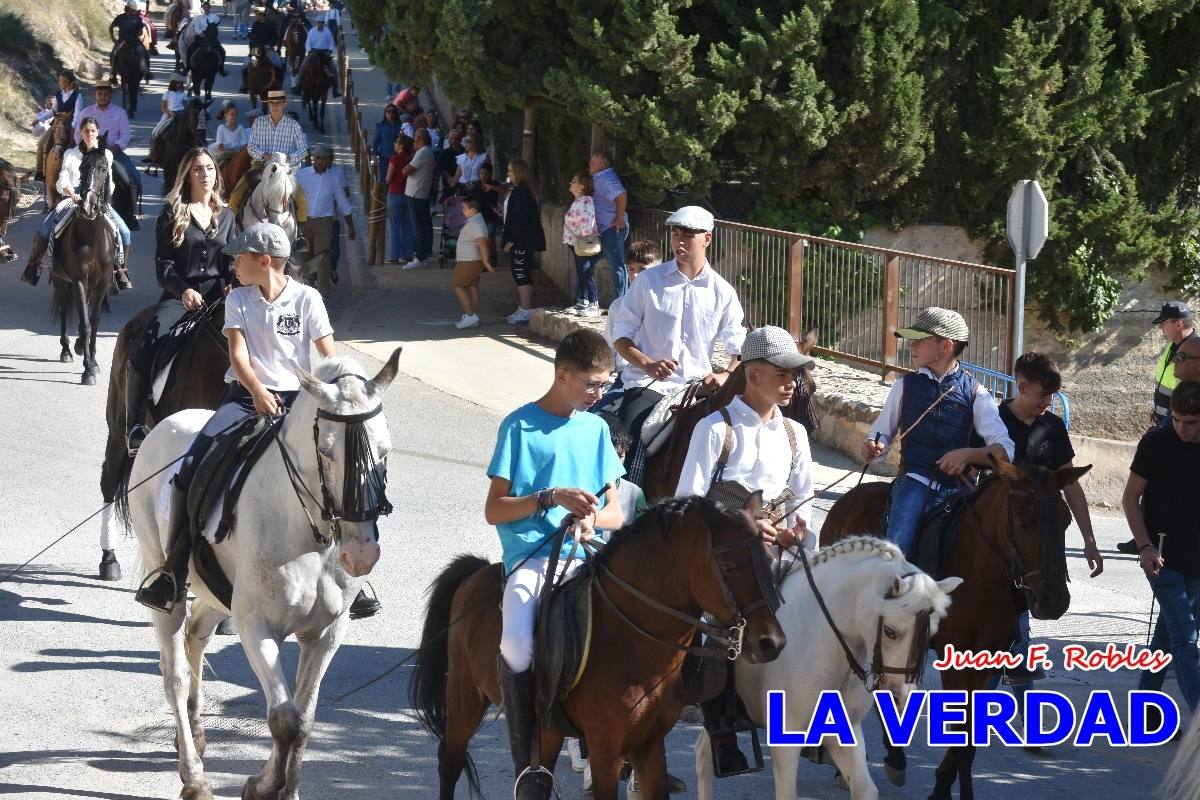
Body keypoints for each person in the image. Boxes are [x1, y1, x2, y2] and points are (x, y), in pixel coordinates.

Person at [485, 329, 626, 797]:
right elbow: (494, 510)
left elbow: (618, 512)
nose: (599, 394)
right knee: (518, 643)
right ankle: (530, 763)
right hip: (532, 557)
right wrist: (549, 498)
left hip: (587, 556)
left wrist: (591, 523)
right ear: (562, 375)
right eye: (592, 385)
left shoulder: (598, 428)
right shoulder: (520, 426)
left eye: (605, 385)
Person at [676, 324, 816, 775]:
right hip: (725, 554)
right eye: (782, 374)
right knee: (719, 621)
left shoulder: (795, 433)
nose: (792, 382)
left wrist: (795, 532)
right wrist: (747, 529)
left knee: (824, 605)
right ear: (753, 375)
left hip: (781, 548)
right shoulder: (714, 429)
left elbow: (804, 501)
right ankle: (722, 729)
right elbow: (689, 504)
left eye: (793, 374)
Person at [977, 352, 1103, 701]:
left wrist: (1089, 539)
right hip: (996, 546)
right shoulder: (994, 421)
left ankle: (1016, 714)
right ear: (1021, 387)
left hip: (1035, 549)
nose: (1049, 402)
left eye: (1052, 396)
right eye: (1042, 395)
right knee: (1003, 630)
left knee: (1019, 630)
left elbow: (1071, 483)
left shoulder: (1053, 427)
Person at [862, 307, 1015, 560]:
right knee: (896, 549)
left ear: (946, 346)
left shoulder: (976, 393)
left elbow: (1006, 450)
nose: (912, 346)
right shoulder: (904, 386)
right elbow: (881, 433)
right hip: (914, 482)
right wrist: (873, 446)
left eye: (920, 340)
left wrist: (968, 454)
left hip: (960, 489)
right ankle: (892, 588)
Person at [609, 206, 745, 485]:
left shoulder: (723, 291)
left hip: (697, 389)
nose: (679, 241)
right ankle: (626, 506)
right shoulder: (648, 281)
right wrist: (647, 363)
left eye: (689, 235)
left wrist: (726, 374)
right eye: (676, 234)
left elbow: (740, 348)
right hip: (647, 386)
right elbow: (621, 336)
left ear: (707, 239)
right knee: (629, 436)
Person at [125, 146, 238, 454]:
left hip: (219, 299)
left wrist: (232, 286)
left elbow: (232, 264)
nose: (205, 174)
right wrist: (184, 290)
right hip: (180, 296)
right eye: (199, 169)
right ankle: (134, 424)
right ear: (188, 175)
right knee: (149, 341)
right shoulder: (172, 212)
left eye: (210, 169)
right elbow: (164, 267)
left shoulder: (227, 216)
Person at [1125, 379, 1200, 712]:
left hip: (1197, 559)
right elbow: (1130, 499)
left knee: (1169, 635)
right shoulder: (1155, 443)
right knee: (1186, 640)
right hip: (1161, 557)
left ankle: (1145, 710)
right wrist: (1144, 547)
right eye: (1178, 419)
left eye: (1191, 422)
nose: (1182, 428)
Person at [1116, 301, 1199, 555]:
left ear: (1179, 323)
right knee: (1148, 482)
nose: (1161, 328)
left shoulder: (1192, 348)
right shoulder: (1174, 349)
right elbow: (1166, 382)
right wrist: (1161, 409)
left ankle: (1151, 535)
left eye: (1164, 323)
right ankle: (1145, 535)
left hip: (1176, 420)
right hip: (1167, 416)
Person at [21, 117, 133, 289]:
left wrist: (101, 197)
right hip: (72, 199)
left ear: (98, 132)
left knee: (124, 232)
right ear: (80, 133)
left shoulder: (106, 155)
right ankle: (33, 267)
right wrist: (71, 193)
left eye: (93, 131)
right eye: (86, 131)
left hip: (98, 200)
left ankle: (120, 271)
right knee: (45, 229)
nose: (89, 134)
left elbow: (109, 182)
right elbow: (63, 178)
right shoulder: (71, 154)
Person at [593, 240, 662, 413]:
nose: (635, 275)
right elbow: (609, 349)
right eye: (631, 269)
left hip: (661, 378)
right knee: (596, 416)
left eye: (643, 269)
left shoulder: (666, 306)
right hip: (626, 377)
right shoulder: (618, 306)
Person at [229, 88, 308, 211]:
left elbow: (303, 150)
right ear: (268, 104)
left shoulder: (294, 125)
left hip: (284, 169)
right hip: (259, 166)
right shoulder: (259, 122)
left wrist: (288, 158)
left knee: (302, 201)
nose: (275, 106)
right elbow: (251, 147)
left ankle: (299, 230)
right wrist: (263, 155)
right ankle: (234, 228)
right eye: (272, 103)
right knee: (234, 198)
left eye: (278, 103)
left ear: (284, 104)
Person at [76, 81, 142, 224]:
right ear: (95, 95)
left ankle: (130, 216)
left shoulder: (120, 112)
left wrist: (116, 147)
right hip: (88, 153)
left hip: (114, 153)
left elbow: (126, 135)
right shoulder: (86, 112)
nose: (102, 97)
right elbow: (77, 134)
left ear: (111, 95)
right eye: (100, 94)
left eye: (106, 94)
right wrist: (87, 146)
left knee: (133, 179)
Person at [294, 143, 355, 296]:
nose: (320, 162)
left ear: (329, 161)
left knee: (323, 258)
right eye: (318, 159)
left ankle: (323, 294)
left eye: (324, 159)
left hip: (324, 222)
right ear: (313, 159)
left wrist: (351, 227)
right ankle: (304, 291)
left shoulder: (334, 179)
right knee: (305, 257)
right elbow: (291, 196)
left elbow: (343, 204)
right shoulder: (302, 175)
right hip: (304, 221)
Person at [500, 159, 545, 324]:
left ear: (518, 172)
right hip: (521, 240)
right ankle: (524, 307)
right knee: (521, 272)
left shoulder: (522, 192)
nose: (508, 174)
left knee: (520, 272)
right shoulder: (520, 190)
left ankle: (526, 309)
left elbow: (521, 220)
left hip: (522, 241)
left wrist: (511, 240)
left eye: (510, 171)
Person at [590, 150, 629, 298]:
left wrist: (618, 219)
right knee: (588, 262)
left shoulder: (605, 177)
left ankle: (623, 301)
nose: (590, 164)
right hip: (605, 229)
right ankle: (585, 299)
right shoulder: (601, 177)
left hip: (611, 229)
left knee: (617, 265)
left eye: (594, 162)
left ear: (603, 164)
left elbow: (621, 195)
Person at [561, 171, 600, 318]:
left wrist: (583, 238)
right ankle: (582, 301)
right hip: (576, 242)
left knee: (585, 271)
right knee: (581, 271)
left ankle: (593, 303)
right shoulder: (579, 201)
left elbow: (587, 222)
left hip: (581, 243)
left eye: (573, 181)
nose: (571, 183)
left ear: (581, 187)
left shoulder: (585, 201)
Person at [451, 198, 494, 330]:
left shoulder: (475, 223)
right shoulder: (476, 221)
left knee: (457, 285)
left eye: (464, 208)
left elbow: (481, 242)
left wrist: (486, 261)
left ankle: (469, 315)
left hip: (469, 260)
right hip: (471, 260)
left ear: (472, 210)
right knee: (472, 286)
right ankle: (472, 316)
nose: (462, 211)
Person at [34, 70, 84, 182]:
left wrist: (72, 127)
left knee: (79, 146)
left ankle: (81, 171)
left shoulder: (77, 96)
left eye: (63, 81)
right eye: (60, 81)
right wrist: (38, 119)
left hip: (71, 125)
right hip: (57, 124)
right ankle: (40, 171)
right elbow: (53, 111)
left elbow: (77, 114)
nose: (61, 83)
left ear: (70, 82)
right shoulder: (58, 95)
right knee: (41, 144)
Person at [400, 128, 436, 270]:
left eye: (416, 136)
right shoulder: (425, 153)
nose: (414, 139)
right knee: (423, 224)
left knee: (418, 226)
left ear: (420, 138)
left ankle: (420, 257)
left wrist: (406, 166)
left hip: (416, 193)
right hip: (420, 192)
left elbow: (406, 171)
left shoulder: (423, 153)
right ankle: (423, 255)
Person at [384, 134, 414, 265]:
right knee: (407, 225)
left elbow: (389, 178)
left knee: (394, 225)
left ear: (401, 145)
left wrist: (385, 180)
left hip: (395, 193)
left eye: (396, 142)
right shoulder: (411, 159)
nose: (394, 144)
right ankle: (407, 254)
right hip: (408, 193)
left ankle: (393, 255)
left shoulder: (394, 159)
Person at [240, 7, 284, 92]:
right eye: (260, 15)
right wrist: (251, 38)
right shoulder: (255, 24)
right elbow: (253, 36)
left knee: (279, 64)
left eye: (263, 15)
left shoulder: (271, 25)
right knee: (244, 65)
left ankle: (278, 83)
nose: (262, 17)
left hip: (268, 49)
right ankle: (245, 84)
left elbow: (275, 38)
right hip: (256, 49)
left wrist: (270, 45)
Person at [297, 14, 340, 97]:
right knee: (302, 68)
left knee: (334, 71)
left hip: (325, 53)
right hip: (314, 53)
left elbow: (331, 43)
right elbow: (308, 43)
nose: (320, 24)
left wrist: (329, 51)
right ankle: (298, 87)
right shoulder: (312, 31)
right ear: (316, 23)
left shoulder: (327, 31)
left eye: (322, 23)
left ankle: (335, 90)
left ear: (324, 23)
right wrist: (310, 50)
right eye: (319, 23)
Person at [109, 1, 152, 83]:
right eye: (132, 10)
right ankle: (113, 74)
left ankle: (146, 72)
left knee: (144, 52)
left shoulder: (137, 19)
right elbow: (111, 27)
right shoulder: (120, 18)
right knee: (114, 53)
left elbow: (141, 31)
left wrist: (138, 34)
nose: (133, 12)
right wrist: (113, 39)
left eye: (134, 11)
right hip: (122, 40)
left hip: (135, 40)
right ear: (127, 9)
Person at [149, 74, 189, 161]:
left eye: (180, 83)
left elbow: (185, 105)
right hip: (169, 114)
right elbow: (163, 107)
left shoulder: (183, 93)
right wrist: (169, 113)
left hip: (181, 113)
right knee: (157, 131)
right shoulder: (167, 93)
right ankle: (153, 154)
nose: (179, 85)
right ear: (173, 83)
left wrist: (187, 112)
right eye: (178, 83)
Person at [187, 2, 229, 76]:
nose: (206, 9)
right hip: (201, 37)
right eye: (204, 7)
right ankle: (187, 68)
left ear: (210, 8)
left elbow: (216, 26)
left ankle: (221, 69)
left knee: (222, 51)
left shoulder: (215, 17)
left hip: (212, 38)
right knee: (190, 49)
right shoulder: (199, 18)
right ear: (202, 8)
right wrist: (201, 33)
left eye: (207, 7)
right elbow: (196, 27)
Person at [370, 105, 405, 184]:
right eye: (388, 111)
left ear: (396, 114)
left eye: (393, 111)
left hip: (398, 158)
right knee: (383, 181)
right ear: (385, 113)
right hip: (384, 159)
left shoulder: (401, 126)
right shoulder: (380, 126)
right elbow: (375, 143)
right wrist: (373, 158)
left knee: (397, 180)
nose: (391, 113)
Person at [209, 102, 250, 168]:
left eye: (236, 114)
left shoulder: (240, 128)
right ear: (226, 115)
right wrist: (223, 150)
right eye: (232, 114)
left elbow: (244, 144)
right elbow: (220, 145)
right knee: (216, 166)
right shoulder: (221, 128)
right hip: (225, 153)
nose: (235, 116)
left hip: (238, 153)